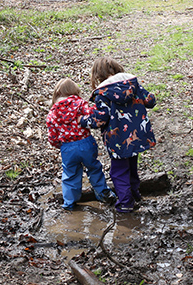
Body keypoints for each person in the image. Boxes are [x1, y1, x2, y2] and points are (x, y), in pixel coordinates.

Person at [82, 57, 156, 213]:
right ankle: (135, 195)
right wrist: (150, 96)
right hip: (137, 136)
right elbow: (150, 101)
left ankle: (125, 203)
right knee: (131, 167)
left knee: (118, 172)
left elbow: (100, 119)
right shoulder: (131, 83)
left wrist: (83, 120)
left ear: (98, 75)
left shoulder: (102, 93)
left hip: (117, 141)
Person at [46, 78, 116, 210]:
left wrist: (58, 145)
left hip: (67, 147)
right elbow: (92, 116)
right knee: (94, 168)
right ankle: (103, 194)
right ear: (74, 91)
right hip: (85, 143)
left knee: (70, 174)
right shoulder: (80, 104)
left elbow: (52, 135)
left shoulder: (53, 112)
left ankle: (69, 203)